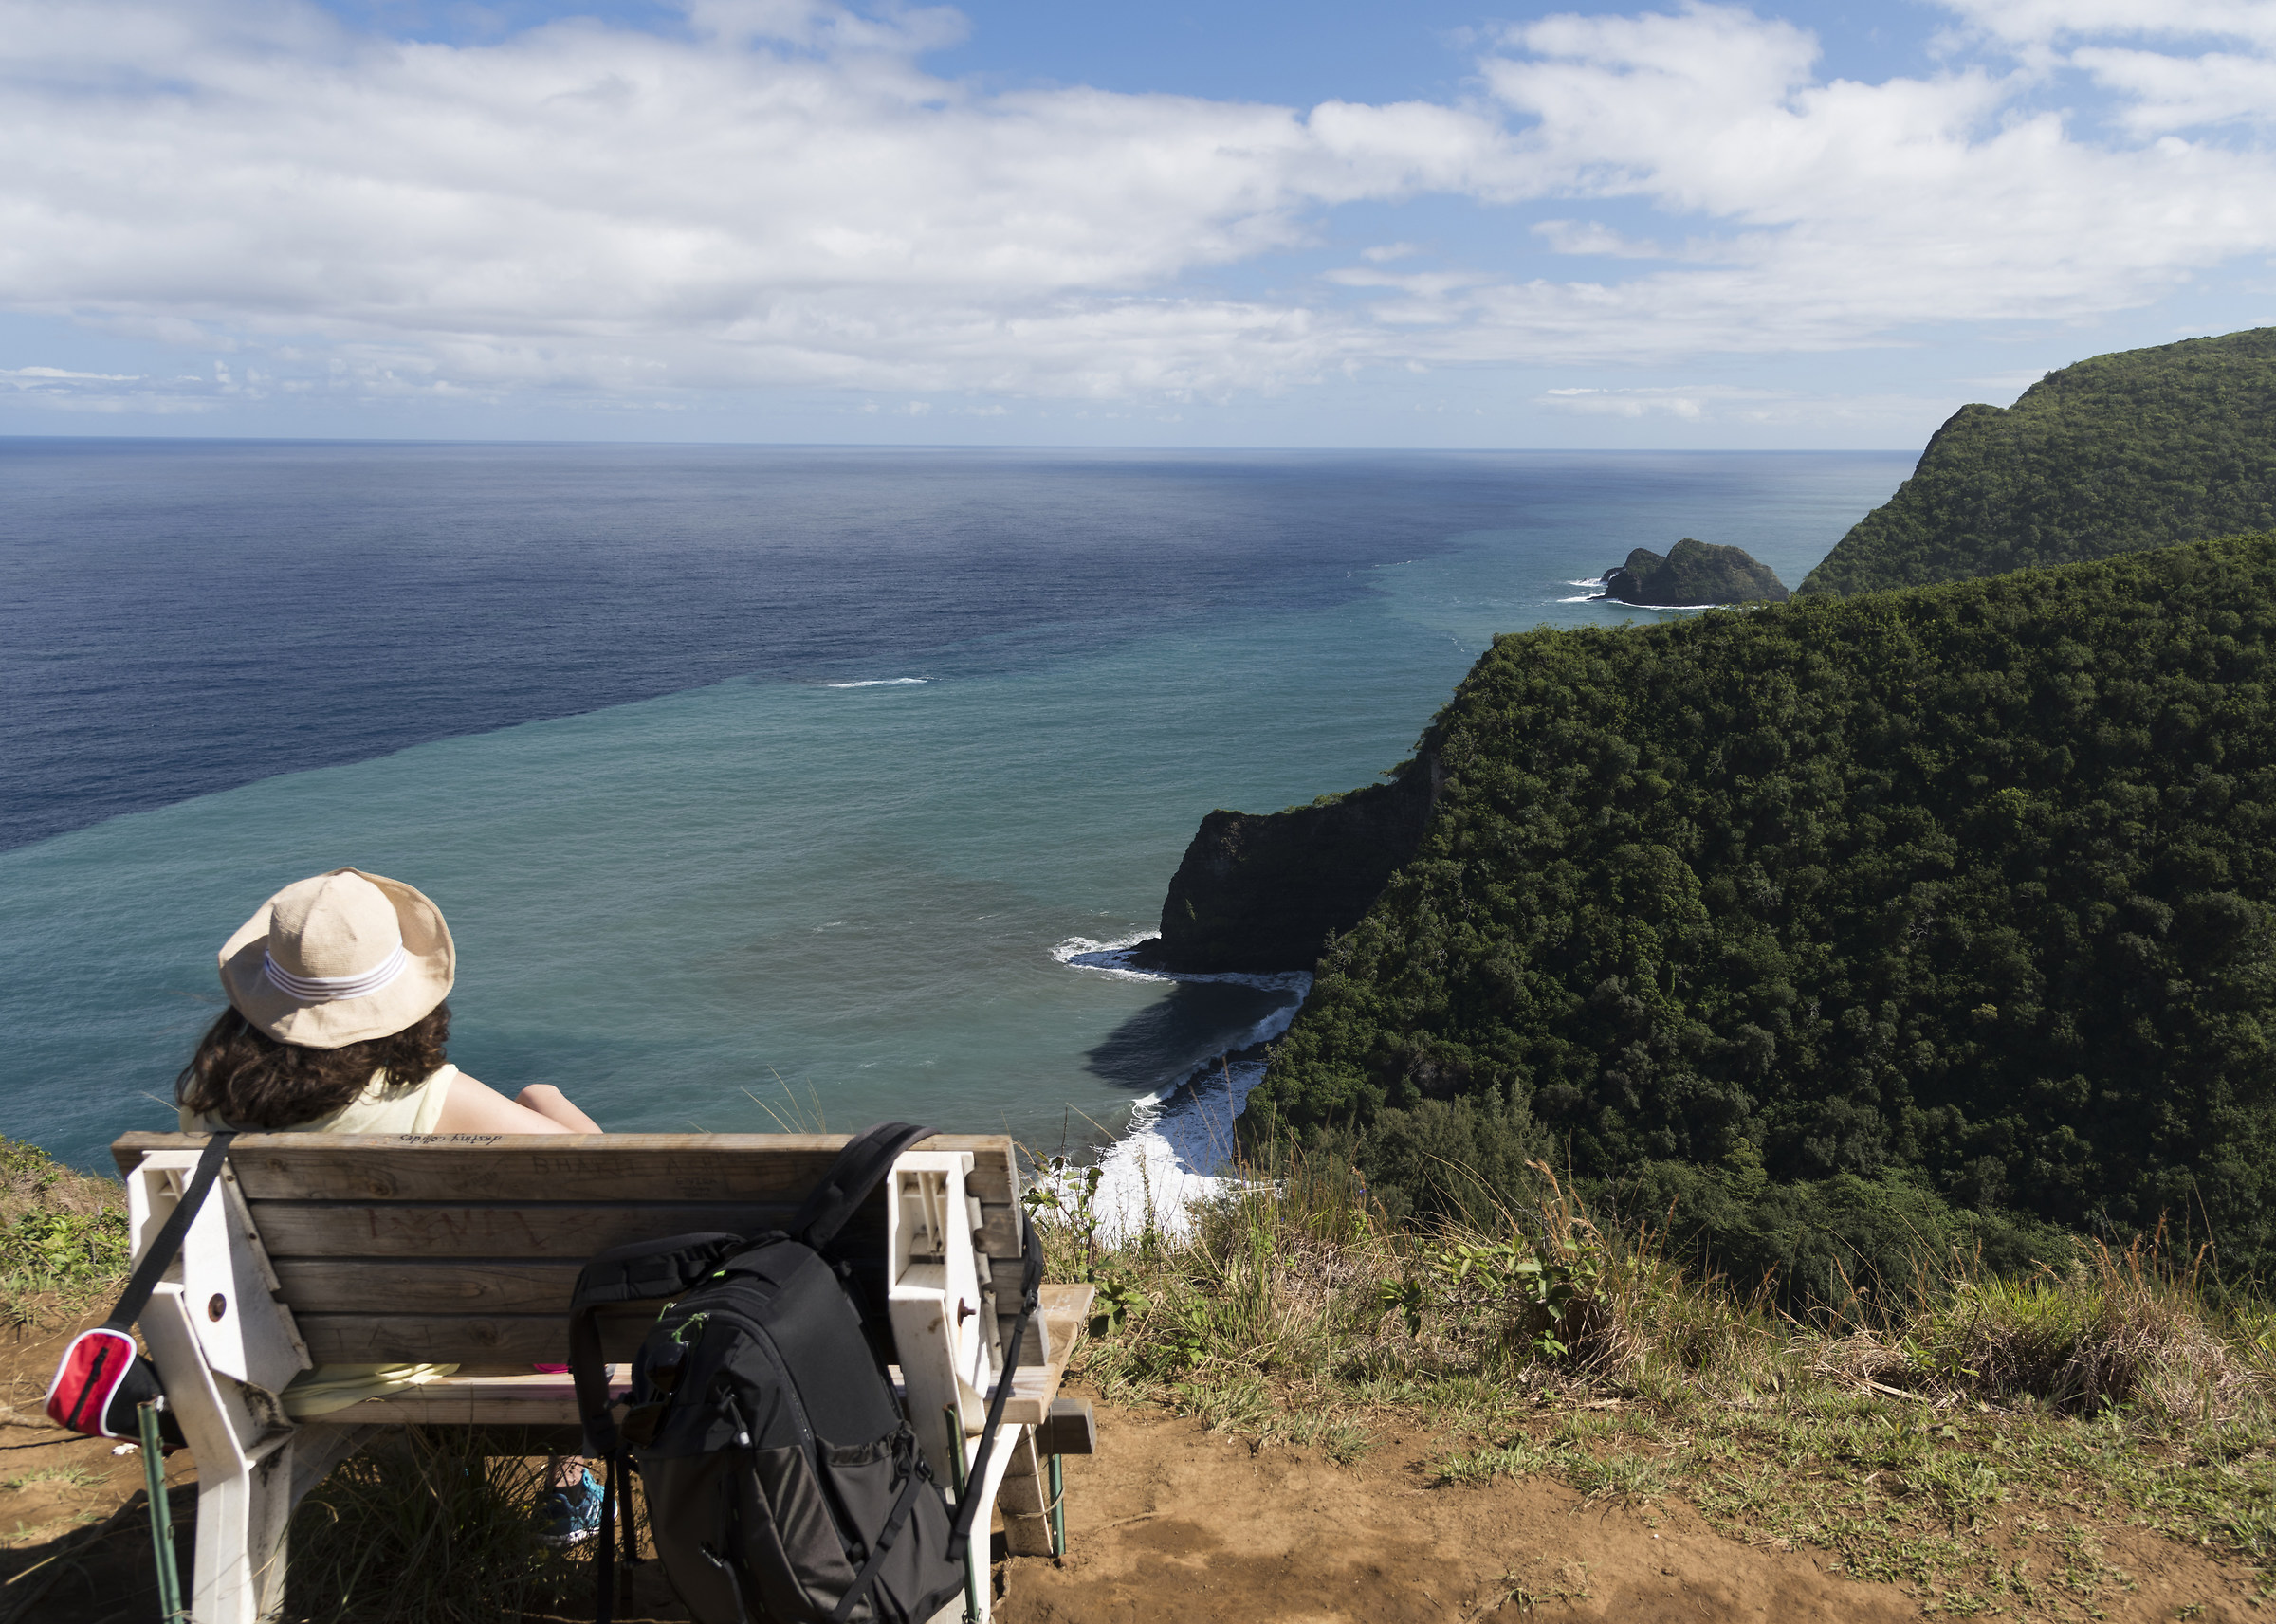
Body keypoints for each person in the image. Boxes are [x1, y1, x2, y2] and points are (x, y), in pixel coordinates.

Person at [174, 867, 608, 1544]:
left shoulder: (206, 1103)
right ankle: (569, 1479)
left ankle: (433, 1493)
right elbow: (599, 1184)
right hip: (413, 1359)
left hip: (269, 1363)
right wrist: (546, 1100)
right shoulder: (431, 1098)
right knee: (566, 1265)